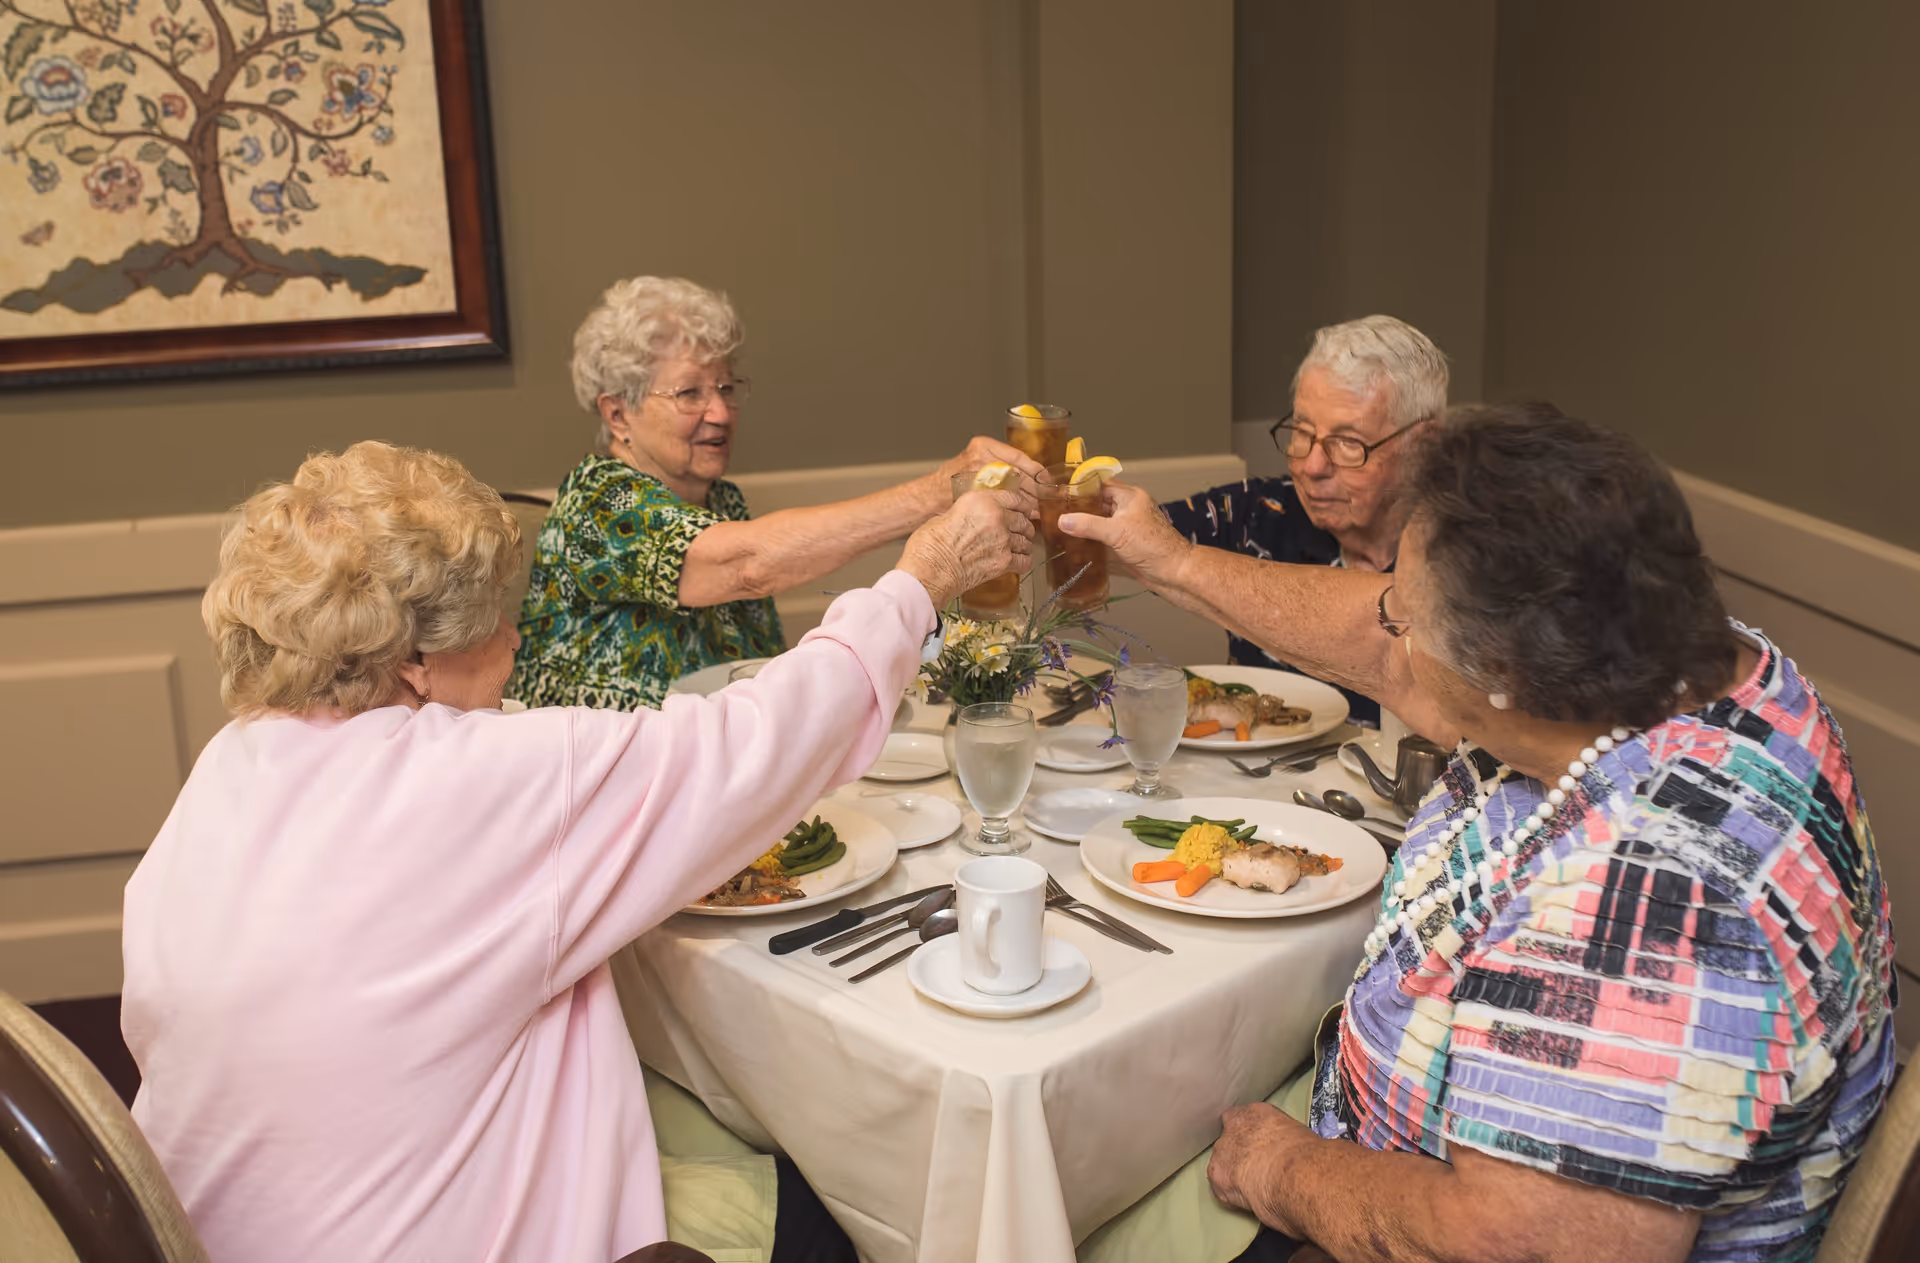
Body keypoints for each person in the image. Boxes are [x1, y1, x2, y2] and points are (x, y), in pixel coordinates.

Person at [121, 441, 1033, 1262]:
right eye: (491, 623)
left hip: (218, 1226)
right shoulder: (482, 783)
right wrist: (923, 577)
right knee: (846, 1217)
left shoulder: (227, 767)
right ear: (412, 665)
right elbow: (761, 742)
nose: (516, 641)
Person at [1059, 404, 1896, 1262]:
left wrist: (1282, 1170)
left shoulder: (1653, 902)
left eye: (1402, 613)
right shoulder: (1676, 661)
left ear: (1499, 674)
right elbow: (1381, 649)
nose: (1384, 624)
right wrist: (1172, 562)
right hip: (1399, 1125)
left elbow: (1519, 1243)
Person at [510, 276, 1048, 711]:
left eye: (725, 387)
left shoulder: (723, 502)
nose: (720, 412)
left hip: (709, 776)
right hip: (604, 787)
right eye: (690, 393)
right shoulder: (597, 501)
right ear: (617, 413)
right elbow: (750, 564)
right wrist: (940, 490)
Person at [1160, 314, 1446, 726]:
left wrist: (1185, 564)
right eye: (1301, 431)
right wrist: (1044, 498)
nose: (1311, 467)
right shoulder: (1259, 511)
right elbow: (1126, 537)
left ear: (1422, 447)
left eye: (1348, 443)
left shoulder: (1464, 557)